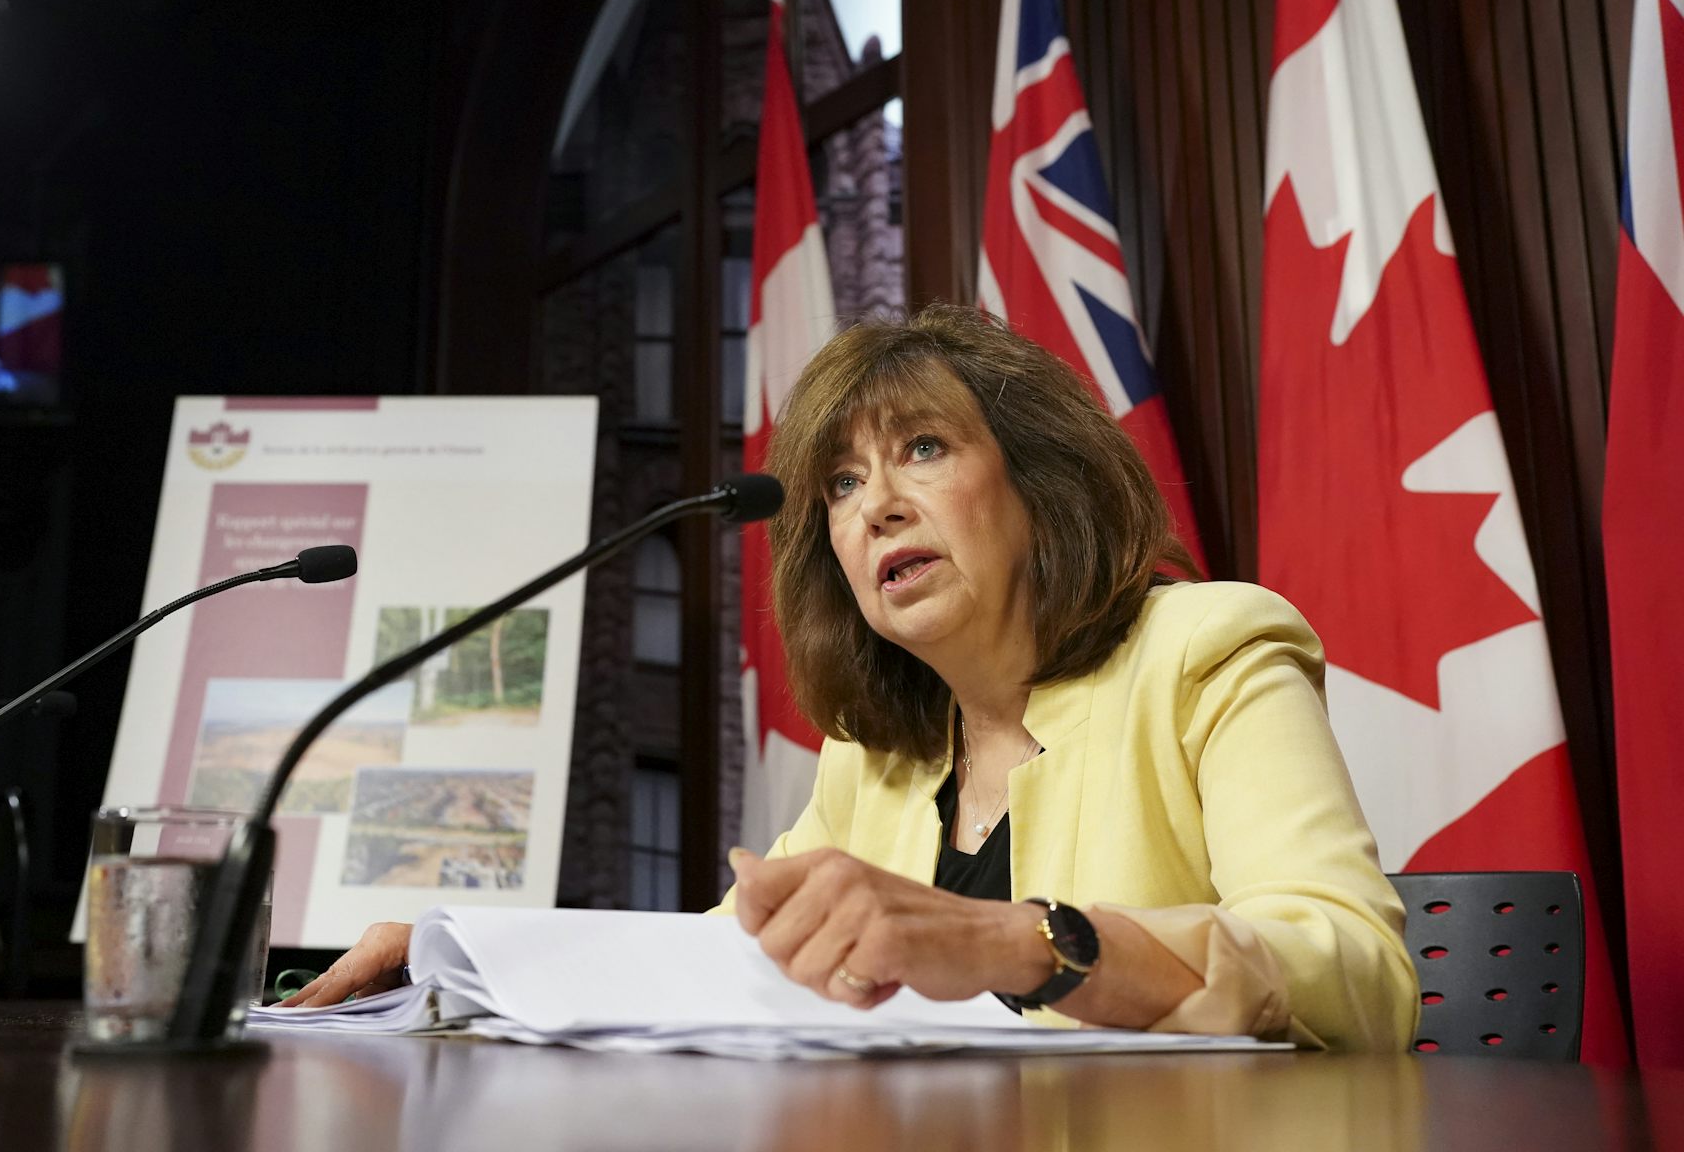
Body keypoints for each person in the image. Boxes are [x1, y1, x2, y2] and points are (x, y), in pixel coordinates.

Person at [286, 305, 1417, 1050]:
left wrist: (1022, 942)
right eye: (838, 482)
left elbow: (1358, 976)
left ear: (1038, 483)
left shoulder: (1207, 654)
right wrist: (461, 951)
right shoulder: (874, 757)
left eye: (922, 449)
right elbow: (717, 966)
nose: (874, 504)